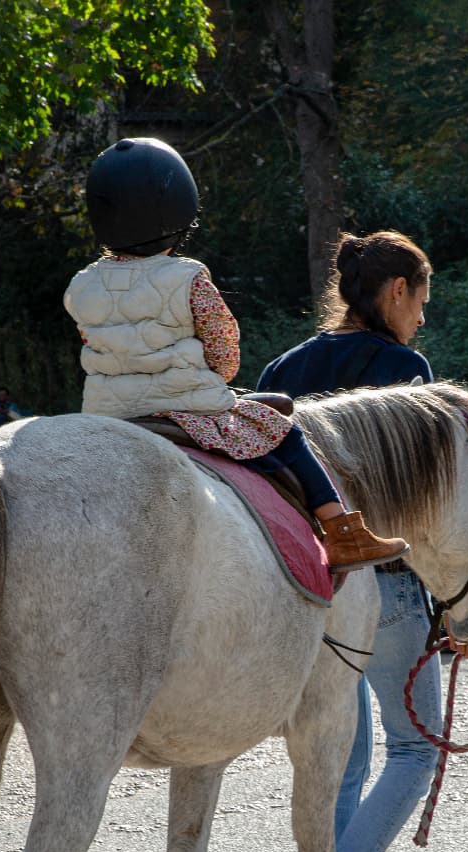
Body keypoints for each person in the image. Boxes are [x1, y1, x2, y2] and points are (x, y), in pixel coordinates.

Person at [64, 137, 405, 572]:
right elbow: (225, 356)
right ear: (178, 207)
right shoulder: (189, 278)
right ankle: (343, 533)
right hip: (188, 408)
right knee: (285, 434)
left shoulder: (81, 286)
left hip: (107, 415)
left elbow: (97, 346)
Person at [257, 233, 468, 645]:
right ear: (398, 290)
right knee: (414, 712)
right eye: (421, 303)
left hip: (306, 576)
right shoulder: (405, 367)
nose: (421, 319)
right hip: (391, 577)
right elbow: (430, 494)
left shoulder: (280, 370)